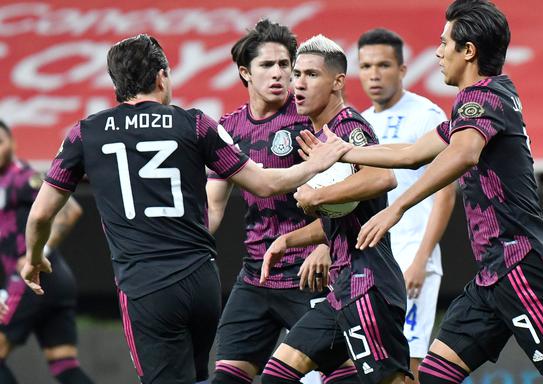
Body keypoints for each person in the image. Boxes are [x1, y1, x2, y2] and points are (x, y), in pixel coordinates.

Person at [299, 1, 543, 384]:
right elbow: (411, 153)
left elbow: (463, 154)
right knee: (433, 375)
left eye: (444, 42)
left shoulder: (484, 96)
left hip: (521, 263)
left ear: (469, 50)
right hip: (493, 274)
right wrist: (344, 150)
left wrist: (397, 209)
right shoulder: (472, 107)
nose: (439, 52)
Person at [20, 34, 349, 384]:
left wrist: (35, 256)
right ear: (162, 76)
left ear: (116, 83)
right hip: (201, 282)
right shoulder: (196, 123)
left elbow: (40, 214)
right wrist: (315, 163)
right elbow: (264, 183)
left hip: (145, 284)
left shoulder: (84, 133)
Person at [205, 20, 357, 384]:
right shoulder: (228, 128)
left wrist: (325, 244)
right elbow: (212, 207)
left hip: (309, 274)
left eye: (285, 64)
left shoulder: (309, 116)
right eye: (267, 65)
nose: (279, 74)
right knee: (226, 378)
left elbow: (351, 191)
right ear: (245, 72)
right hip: (256, 276)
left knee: (344, 378)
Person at [260, 34, 409, 384]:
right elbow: (343, 220)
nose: (298, 83)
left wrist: (317, 197)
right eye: (296, 74)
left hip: (368, 282)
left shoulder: (347, 127)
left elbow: (383, 177)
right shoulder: (319, 137)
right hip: (342, 287)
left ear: (338, 82)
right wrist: (286, 241)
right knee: (277, 375)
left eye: (311, 75)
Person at [357, 28, 456, 384]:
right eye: (366, 65)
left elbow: (446, 193)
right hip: (372, 261)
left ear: (401, 70)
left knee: (408, 365)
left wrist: (421, 260)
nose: (374, 74)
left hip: (413, 260)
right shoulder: (360, 122)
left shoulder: (426, 116)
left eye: (383, 65)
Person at [0, 120, 93, 384]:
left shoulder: (21, 177)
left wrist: (37, 253)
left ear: (13, 145)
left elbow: (70, 208)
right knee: (64, 365)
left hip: (32, 279)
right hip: (54, 281)